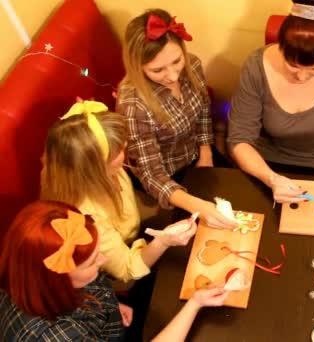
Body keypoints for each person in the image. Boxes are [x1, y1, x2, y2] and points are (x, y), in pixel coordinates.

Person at [0, 201, 228, 341]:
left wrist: (111, 304)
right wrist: (195, 303)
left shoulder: (33, 275)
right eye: (92, 262)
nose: (104, 259)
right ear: (56, 279)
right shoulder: (54, 336)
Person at [227, 0, 314, 203]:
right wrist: (271, 179)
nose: (302, 77)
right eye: (292, 66)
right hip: (264, 166)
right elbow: (239, 138)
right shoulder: (256, 66)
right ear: (280, 48)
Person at [40, 101, 196, 283]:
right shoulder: (84, 217)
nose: (126, 148)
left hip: (134, 229)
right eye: (119, 151)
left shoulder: (99, 170)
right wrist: (163, 241)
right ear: (93, 167)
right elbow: (126, 270)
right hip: (120, 271)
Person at [116, 9, 237, 230]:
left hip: (197, 153)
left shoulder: (193, 65)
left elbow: (202, 112)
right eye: (158, 70)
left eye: (176, 61)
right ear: (138, 66)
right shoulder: (133, 105)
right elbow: (152, 175)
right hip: (166, 174)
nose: (172, 76)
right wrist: (196, 204)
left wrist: (206, 153)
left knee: (241, 198)